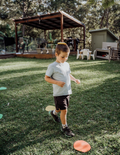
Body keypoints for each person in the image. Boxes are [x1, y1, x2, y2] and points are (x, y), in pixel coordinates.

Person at [45, 42, 80, 137]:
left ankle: (54, 113)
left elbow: (68, 74)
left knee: (60, 108)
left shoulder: (66, 64)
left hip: (67, 91)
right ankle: (65, 127)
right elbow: (46, 78)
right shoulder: (52, 66)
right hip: (59, 93)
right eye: (62, 57)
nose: (65, 59)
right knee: (64, 110)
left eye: (67, 56)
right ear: (56, 54)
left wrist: (75, 79)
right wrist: (57, 82)